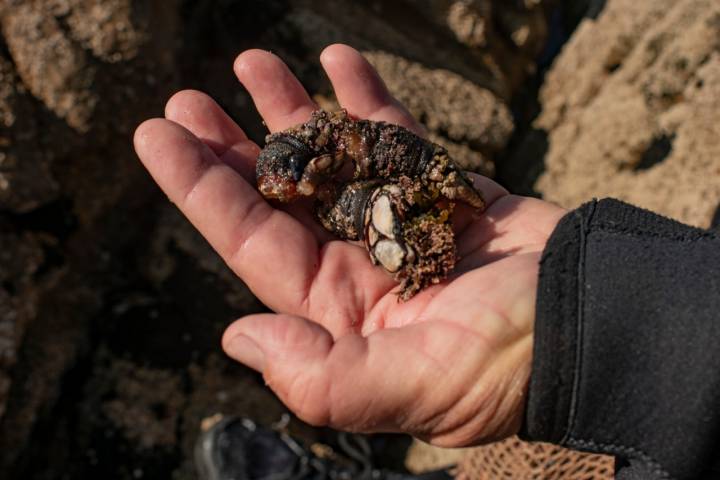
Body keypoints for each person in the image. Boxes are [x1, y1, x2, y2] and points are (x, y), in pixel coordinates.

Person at [133, 44, 720, 480]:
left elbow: (403, 178)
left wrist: (572, 327)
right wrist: (585, 310)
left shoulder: (368, 165)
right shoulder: (322, 171)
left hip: (409, 197)